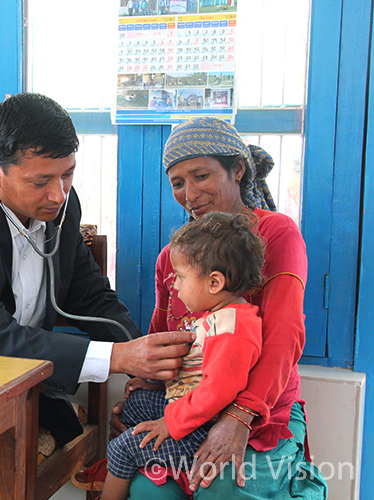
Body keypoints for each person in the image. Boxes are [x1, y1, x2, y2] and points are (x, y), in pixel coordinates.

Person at [0, 92, 194, 500]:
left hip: (15, 380)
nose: (58, 194)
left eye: (67, 174)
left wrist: (143, 358)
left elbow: (90, 293)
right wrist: (119, 358)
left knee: (65, 425)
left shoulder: (61, 208)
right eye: (40, 180)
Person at [72, 116, 327, 499]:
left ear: (238, 170)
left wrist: (239, 418)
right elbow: (166, 341)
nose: (189, 195)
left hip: (261, 408)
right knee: (148, 492)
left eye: (201, 176)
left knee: (218, 487)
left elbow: (284, 336)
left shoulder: (276, 234)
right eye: (178, 183)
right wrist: (140, 392)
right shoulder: (170, 260)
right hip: (188, 404)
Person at [100, 211, 265, 500]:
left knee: (122, 447)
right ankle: (150, 461)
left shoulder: (231, 329)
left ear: (214, 283)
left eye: (181, 276)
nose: (174, 284)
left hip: (203, 431)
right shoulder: (220, 316)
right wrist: (158, 384)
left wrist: (170, 424)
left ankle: (128, 466)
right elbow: (198, 373)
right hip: (194, 417)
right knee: (136, 403)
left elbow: (217, 392)